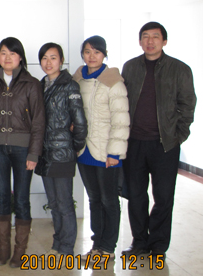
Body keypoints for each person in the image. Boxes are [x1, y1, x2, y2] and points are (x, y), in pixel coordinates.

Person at [121, 22, 196, 260]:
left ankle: (158, 245)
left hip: (165, 144)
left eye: (155, 36)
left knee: (163, 197)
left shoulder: (179, 69)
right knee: (136, 195)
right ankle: (139, 242)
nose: (150, 41)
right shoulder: (130, 67)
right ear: (139, 41)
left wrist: (178, 136)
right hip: (134, 143)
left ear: (164, 41)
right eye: (145, 36)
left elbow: (188, 106)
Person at [0, 37, 45, 268]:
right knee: (1, 197)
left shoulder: (32, 84)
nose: (7, 57)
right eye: (3, 53)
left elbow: (38, 121)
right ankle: (3, 250)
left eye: (12, 53)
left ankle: (20, 251)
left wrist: (34, 153)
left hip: (23, 149)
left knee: (21, 198)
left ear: (20, 57)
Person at [73, 35, 129, 262]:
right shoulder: (77, 80)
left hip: (106, 152)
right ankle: (97, 245)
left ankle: (108, 248)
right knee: (94, 199)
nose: (92, 56)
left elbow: (121, 120)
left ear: (104, 54)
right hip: (84, 150)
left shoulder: (114, 82)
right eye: (87, 51)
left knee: (109, 200)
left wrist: (115, 152)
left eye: (97, 52)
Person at [35, 43, 87, 257]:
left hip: (63, 153)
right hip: (45, 153)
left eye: (53, 58)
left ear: (62, 60)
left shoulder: (69, 86)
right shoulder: (41, 85)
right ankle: (57, 243)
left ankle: (66, 247)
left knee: (64, 203)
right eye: (44, 58)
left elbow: (80, 123)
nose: (48, 62)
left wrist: (74, 147)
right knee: (54, 203)